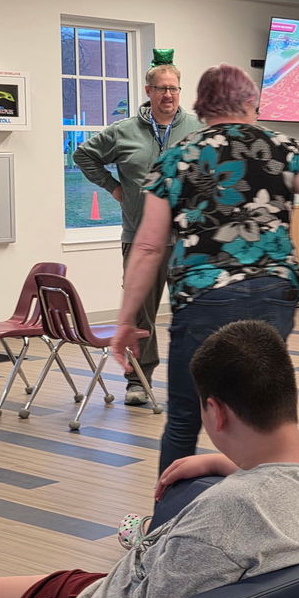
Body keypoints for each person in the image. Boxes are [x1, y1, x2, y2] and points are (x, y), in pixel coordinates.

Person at [0, 319, 299, 598]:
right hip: (151, 582)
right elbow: (277, 483)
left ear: (215, 412)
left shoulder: (223, 515)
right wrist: (220, 461)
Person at [111, 64, 299, 474]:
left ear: (201, 106)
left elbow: (149, 245)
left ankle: (165, 526)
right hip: (272, 294)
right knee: (266, 417)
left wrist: (124, 320)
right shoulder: (282, 147)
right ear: (250, 102)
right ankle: (276, 508)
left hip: (203, 298)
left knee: (186, 417)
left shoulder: (177, 157)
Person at [73, 58, 202, 405]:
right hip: (139, 236)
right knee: (140, 315)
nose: (168, 95)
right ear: (148, 92)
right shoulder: (123, 131)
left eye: (174, 88)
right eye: (161, 88)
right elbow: (83, 155)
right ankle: (137, 382)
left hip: (189, 239)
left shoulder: (197, 128)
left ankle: (197, 381)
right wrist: (115, 188)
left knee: (193, 312)